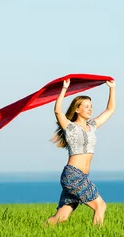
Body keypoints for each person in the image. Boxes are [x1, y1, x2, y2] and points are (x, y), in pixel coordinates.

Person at [46, 78, 116, 226]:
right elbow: (58, 111)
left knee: (61, 218)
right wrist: (64, 89)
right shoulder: (70, 128)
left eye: (91, 106)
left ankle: (39, 232)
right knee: (100, 206)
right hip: (73, 175)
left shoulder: (92, 126)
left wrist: (112, 89)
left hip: (81, 176)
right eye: (86, 106)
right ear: (77, 109)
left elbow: (110, 110)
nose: (90, 109)